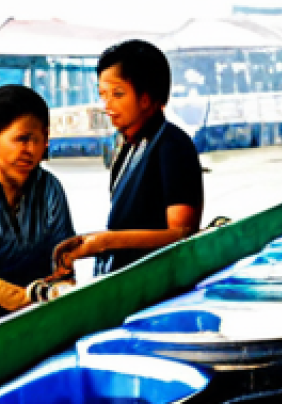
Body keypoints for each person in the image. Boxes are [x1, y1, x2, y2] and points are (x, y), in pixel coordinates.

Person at [53, 40, 203, 276]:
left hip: (159, 282)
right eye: (103, 95)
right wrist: (90, 240)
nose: (107, 105)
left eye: (118, 94)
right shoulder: (127, 146)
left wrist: (106, 242)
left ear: (146, 98)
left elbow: (183, 233)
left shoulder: (173, 146)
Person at [0, 86, 74, 335]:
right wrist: (18, 299)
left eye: (38, 139)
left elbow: (64, 251)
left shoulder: (49, 187)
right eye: (22, 139)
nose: (31, 150)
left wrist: (63, 284)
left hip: (36, 298)